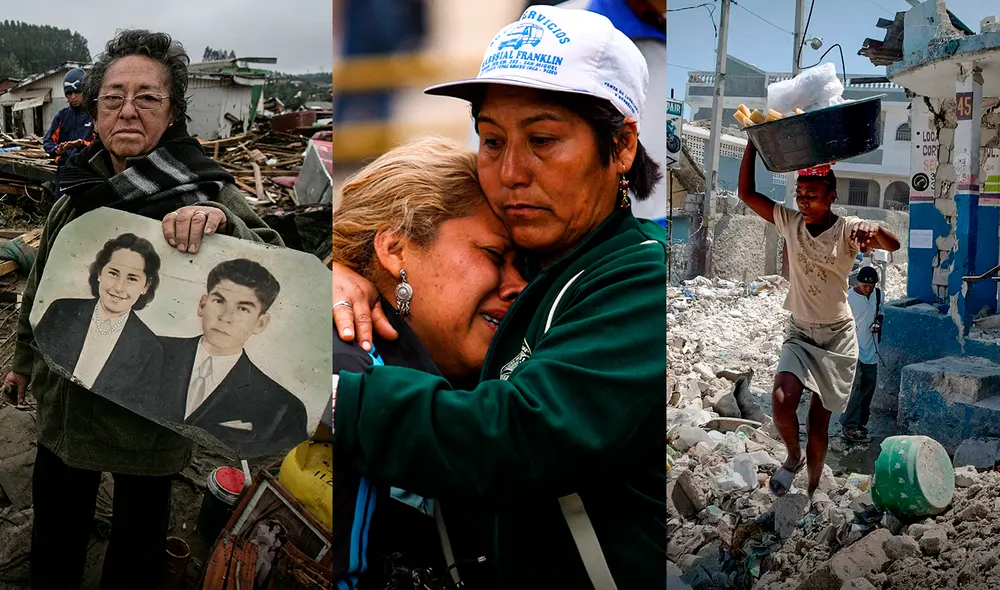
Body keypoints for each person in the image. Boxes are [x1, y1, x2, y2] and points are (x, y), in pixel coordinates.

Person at [332, 6, 667, 588]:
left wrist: (341, 401)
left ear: (620, 147)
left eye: (542, 140)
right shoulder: (544, 255)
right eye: (491, 140)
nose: (510, 171)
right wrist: (345, 267)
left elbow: (521, 436)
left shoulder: (637, 280)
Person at [2, 30, 283, 589]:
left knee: (138, 536)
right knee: (57, 527)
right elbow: (41, 288)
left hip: (151, 410)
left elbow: (278, 271)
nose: (128, 111)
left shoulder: (203, 189)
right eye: (113, 97)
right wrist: (23, 360)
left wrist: (224, 229)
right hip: (69, 401)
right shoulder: (76, 191)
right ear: (96, 109)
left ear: (173, 110)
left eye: (148, 97)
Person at [332, 136, 525, 588]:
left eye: (527, 267)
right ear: (396, 249)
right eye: (496, 256)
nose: (518, 286)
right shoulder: (353, 369)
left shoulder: (457, 370)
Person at [737, 143, 900, 498]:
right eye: (799, 194)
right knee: (782, 398)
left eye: (812, 194)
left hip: (838, 339)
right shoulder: (789, 222)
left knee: (818, 424)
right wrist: (753, 142)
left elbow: (893, 244)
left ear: (831, 195)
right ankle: (792, 457)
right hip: (800, 332)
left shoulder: (847, 229)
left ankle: (811, 490)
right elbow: (746, 193)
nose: (804, 201)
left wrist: (874, 229)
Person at [152, 258, 308, 456]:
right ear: (202, 304)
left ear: (260, 323)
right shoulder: (151, 349)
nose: (226, 317)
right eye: (219, 301)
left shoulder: (282, 407)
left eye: (243, 308)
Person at [33, 233, 163, 400]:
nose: (119, 287)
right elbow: (38, 363)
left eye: (132, 278)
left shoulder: (150, 348)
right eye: (114, 273)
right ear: (100, 273)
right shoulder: (61, 311)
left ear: (146, 285)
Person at [840, 266, 882, 444]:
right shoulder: (848, 298)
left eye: (871, 286)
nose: (869, 289)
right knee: (855, 387)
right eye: (866, 286)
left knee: (869, 387)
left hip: (871, 349)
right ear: (858, 282)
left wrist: (878, 325)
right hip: (853, 349)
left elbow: (880, 315)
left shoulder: (879, 295)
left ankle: (860, 424)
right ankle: (849, 425)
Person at [43, 67, 96, 196]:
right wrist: (57, 150)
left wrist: (82, 144)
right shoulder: (62, 116)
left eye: (77, 92)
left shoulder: (95, 115)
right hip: (64, 171)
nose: (73, 97)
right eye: (69, 93)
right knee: (61, 209)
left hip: (87, 171)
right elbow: (48, 141)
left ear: (86, 91)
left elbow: (100, 143)